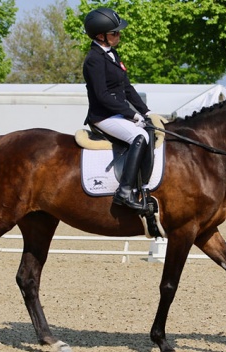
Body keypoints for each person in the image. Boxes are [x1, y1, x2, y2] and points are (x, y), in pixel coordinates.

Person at [83, 7, 165, 212]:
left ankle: (143, 186)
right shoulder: (93, 59)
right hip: (103, 116)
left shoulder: (112, 54)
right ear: (100, 36)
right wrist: (132, 114)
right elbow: (102, 96)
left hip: (117, 114)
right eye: (115, 33)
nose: (119, 35)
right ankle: (125, 191)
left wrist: (146, 112)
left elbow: (127, 89)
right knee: (139, 137)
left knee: (149, 130)